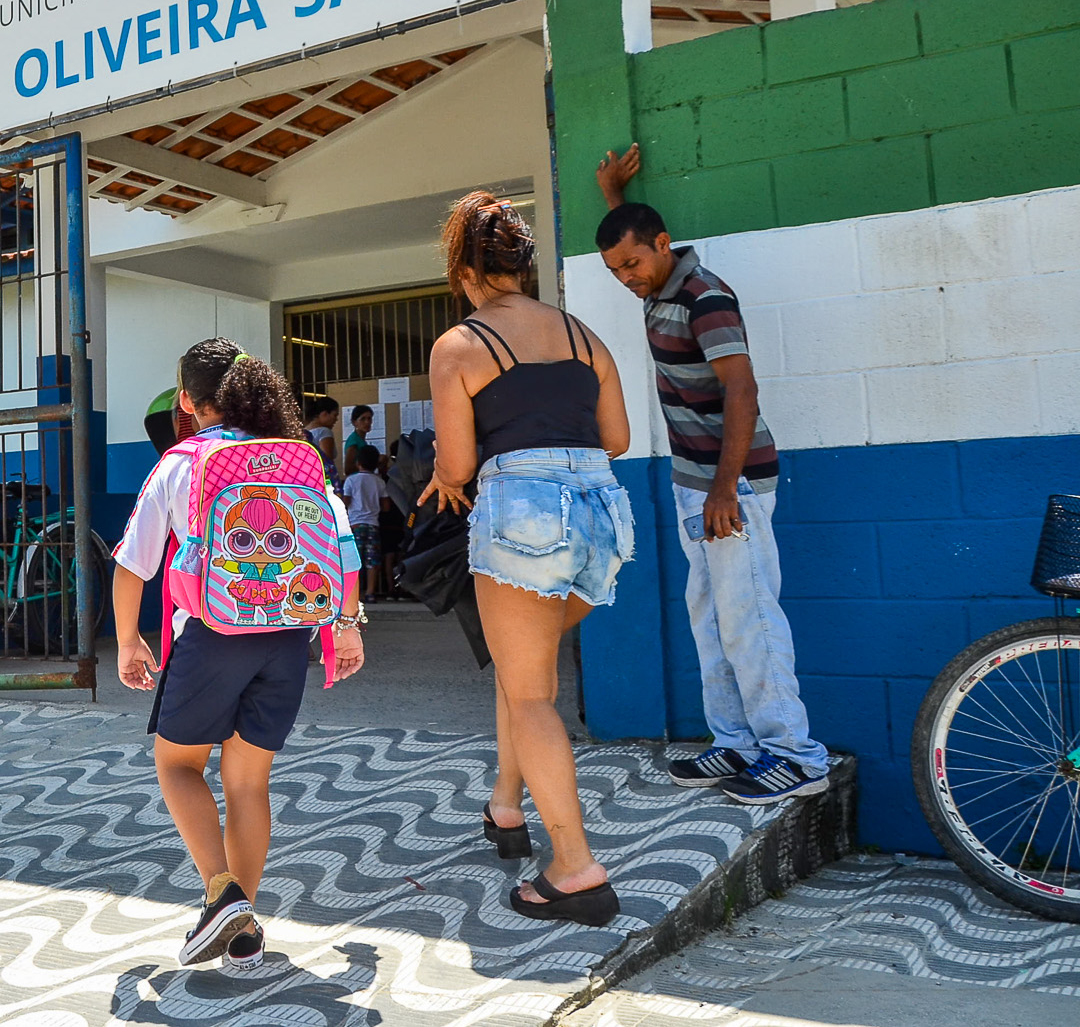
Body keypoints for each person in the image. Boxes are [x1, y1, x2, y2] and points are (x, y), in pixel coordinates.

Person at [114, 339, 367, 969]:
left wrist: (126, 639)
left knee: (176, 766)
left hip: (212, 638)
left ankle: (221, 894)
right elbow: (344, 552)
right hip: (288, 639)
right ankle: (242, 926)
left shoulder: (184, 459)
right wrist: (346, 626)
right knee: (250, 783)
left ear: (189, 402)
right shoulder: (301, 457)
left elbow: (132, 564)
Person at [419, 192, 634, 927]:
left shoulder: (459, 345)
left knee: (533, 694)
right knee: (526, 673)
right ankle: (505, 808)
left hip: (523, 516)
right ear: (523, 265)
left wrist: (452, 478)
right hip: (602, 515)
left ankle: (575, 867)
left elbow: (455, 462)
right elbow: (618, 437)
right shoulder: (584, 337)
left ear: (463, 269)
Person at [595, 145, 830, 804]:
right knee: (710, 617)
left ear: (664, 245)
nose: (626, 278)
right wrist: (615, 197)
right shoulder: (659, 277)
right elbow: (631, 232)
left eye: (633, 264)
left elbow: (743, 392)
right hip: (692, 482)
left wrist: (725, 489)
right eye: (616, 270)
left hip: (733, 487)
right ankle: (738, 743)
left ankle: (797, 756)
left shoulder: (706, 298)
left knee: (750, 617)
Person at [344, 444, 384, 602]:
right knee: (372, 560)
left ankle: (354, 594)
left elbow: (346, 502)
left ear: (357, 462)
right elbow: (386, 505)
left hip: (355, 525)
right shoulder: (379, 481)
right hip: (373, 524)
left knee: (354, 560)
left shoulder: (351, 480)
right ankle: (370, 592)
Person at [305, 396, 342, 487]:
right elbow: (327, 460)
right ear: (324, 414)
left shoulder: (304, 431)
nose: (336, 419)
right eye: (334, 415)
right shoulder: (324, 432)